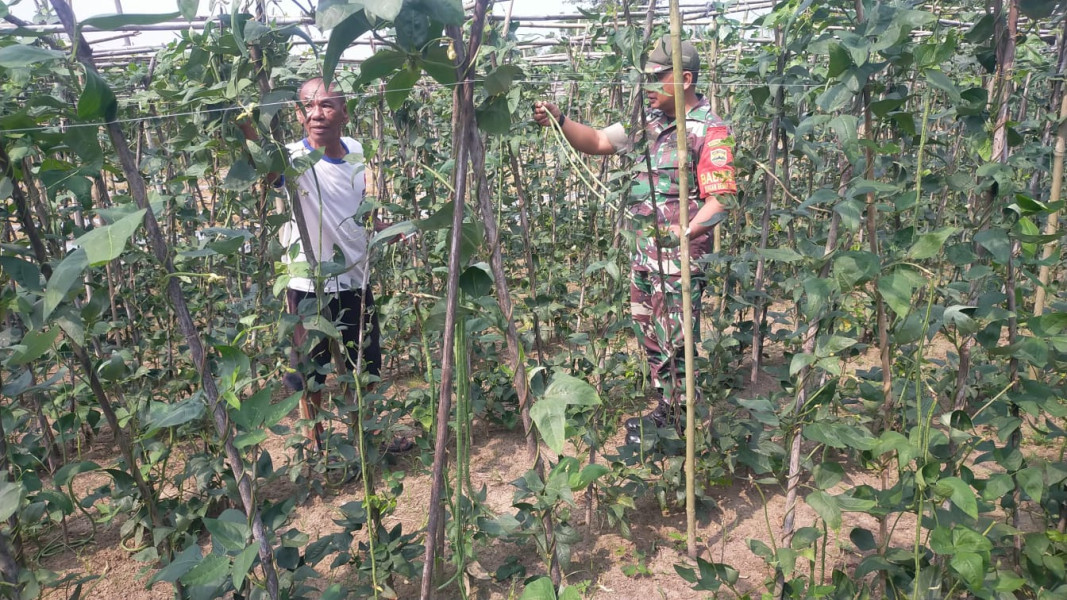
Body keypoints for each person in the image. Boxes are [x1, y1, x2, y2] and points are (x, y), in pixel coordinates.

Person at [532, 36, 737, 445]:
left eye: (657, 78)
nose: (648, 87)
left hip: (680, 257)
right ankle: (667, 407)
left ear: (685, 80)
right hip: (645, 253)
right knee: (651, 330)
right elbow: (597, 142)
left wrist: (688, 230)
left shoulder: (709, 131)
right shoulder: (649, 124)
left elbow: (720, 199)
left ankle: (681, 419)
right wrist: (560, 118)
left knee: (676, 335)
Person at [240, 78, 396, 453]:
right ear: (297, 113)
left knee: (367, 362)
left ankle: (367, 437)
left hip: (356, 277)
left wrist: (377, 225)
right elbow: (269, 170)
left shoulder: (356, 149)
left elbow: (357, 200)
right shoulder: (291, 157)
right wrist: (245, 123)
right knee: (308, 373)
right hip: (308, 285)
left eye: (327, 105)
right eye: (307, 106)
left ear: (345, 111)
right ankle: (315, 445)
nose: (316, 114)